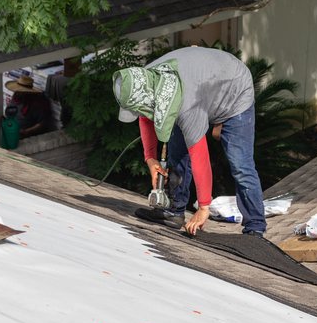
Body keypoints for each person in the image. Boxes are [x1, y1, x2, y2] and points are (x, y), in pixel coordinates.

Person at [113, 47, 266, 237]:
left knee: (240, 165)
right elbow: (145, 115)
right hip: (203, 85)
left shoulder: (186, 105)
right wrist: (150, 159)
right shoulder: (145, 79)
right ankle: (174, 211)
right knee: (177, 153)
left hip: (235, 90)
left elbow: (200, 155)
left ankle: (255, 226)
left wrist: (203, 207)